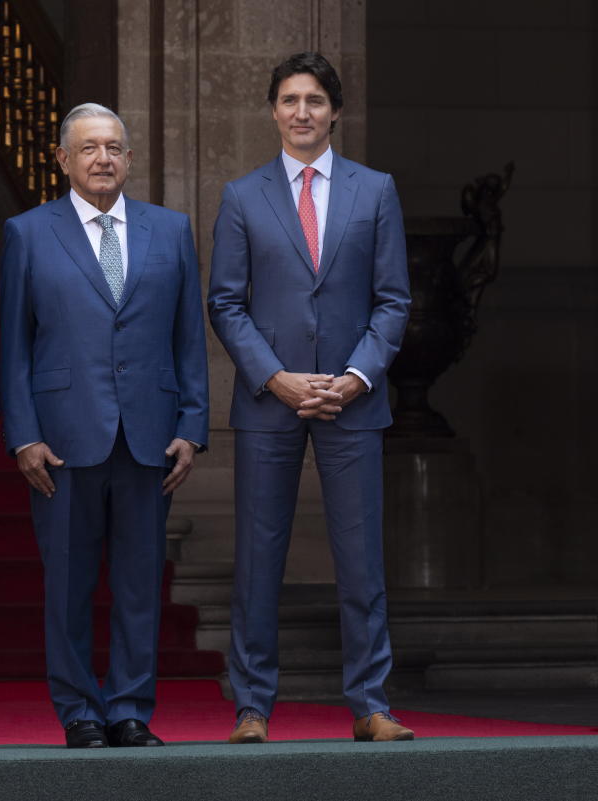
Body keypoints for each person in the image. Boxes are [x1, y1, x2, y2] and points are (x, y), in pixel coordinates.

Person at [207, 52, 414, 743]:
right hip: (271, 400)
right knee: (258, 557)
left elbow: (393, 300)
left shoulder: (375, 190)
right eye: (291, 99)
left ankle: (370, 703)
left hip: (353, 398)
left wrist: (355, 377)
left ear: (335, 111)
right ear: (272, 110)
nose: (302, 112)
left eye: (316, 100)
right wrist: (278, 377)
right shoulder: (242, 196)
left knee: (361, 556)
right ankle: (252, 706)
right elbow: (226, 304)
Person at [0, 103, 209, 748]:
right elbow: (14, 345)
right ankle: (79, 712)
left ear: (130, 157)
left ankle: (128, 708)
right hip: (62, 437)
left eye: (114, 148)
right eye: (88, 149)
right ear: (62, 160)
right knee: (67, 583)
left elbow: (187, 338)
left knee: (141, 583)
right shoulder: (29, 232)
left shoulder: (170, 230)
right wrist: (24, 434)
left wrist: (193, 423)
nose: (103, 159)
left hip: (149, 433)